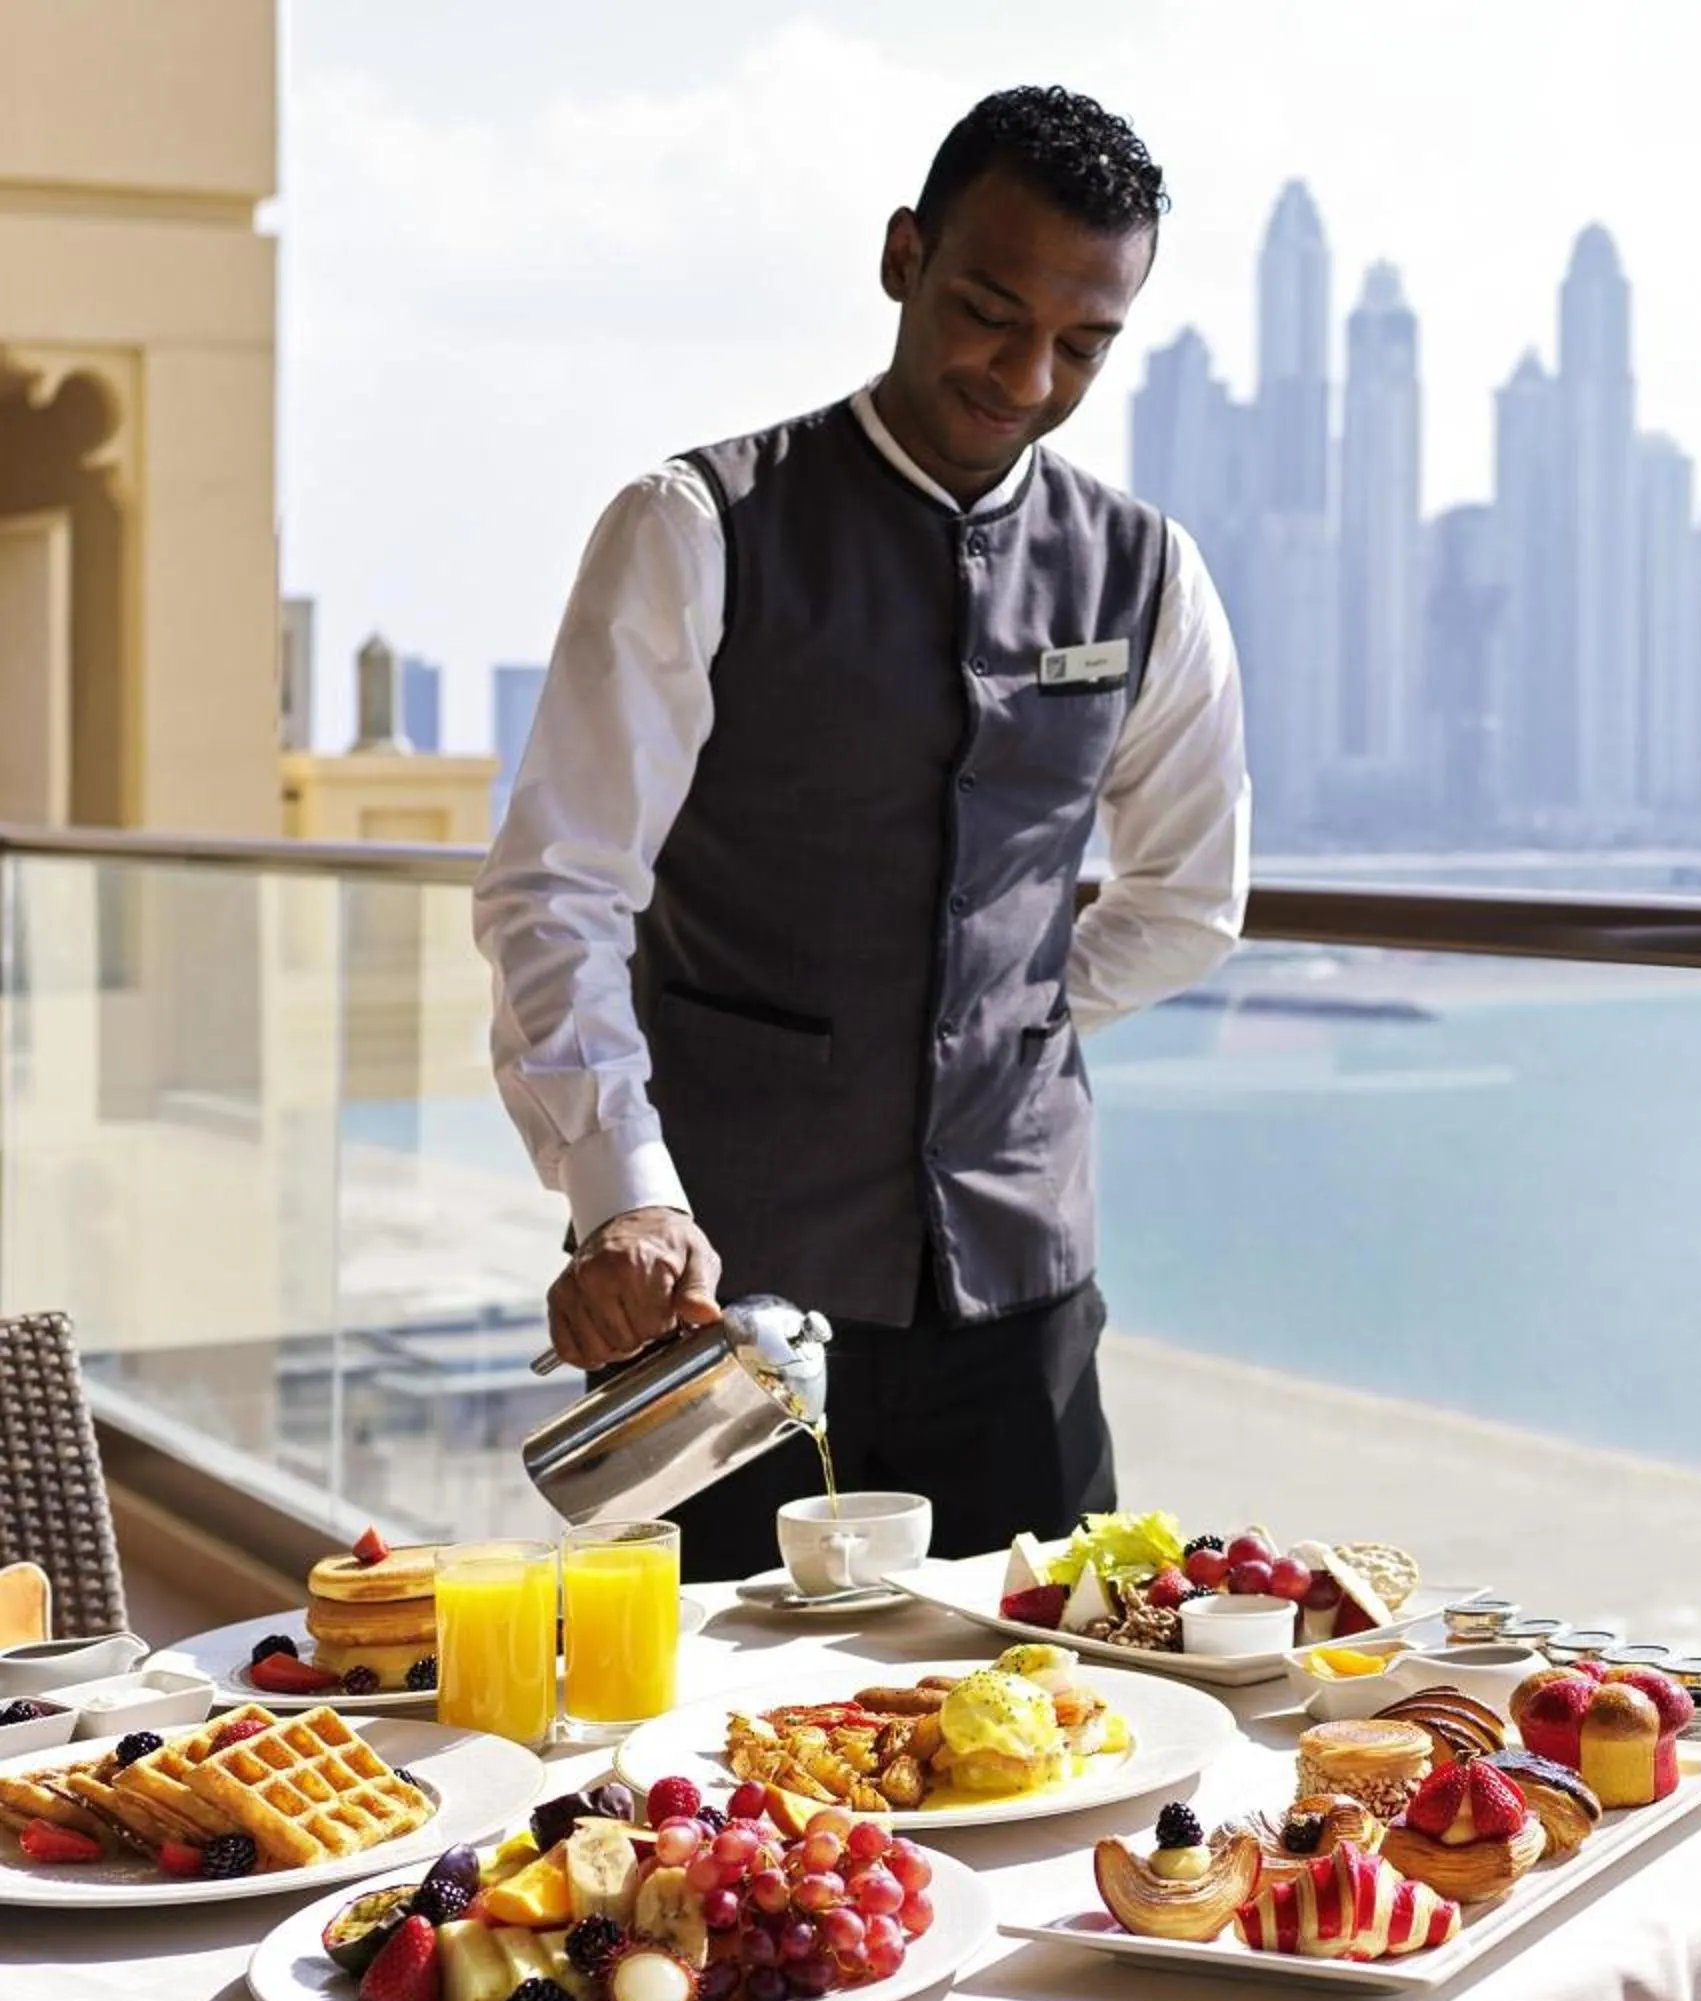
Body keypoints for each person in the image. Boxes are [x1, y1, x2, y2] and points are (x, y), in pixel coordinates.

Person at [474, 87, 1248, 1582]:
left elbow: (1190, 897)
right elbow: (557, 893)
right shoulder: (694, 526)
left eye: (1082, 343)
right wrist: (624, 1192)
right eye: (988, 308)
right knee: (712, 1777)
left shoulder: (1149, 574)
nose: (1026, 373)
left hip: (1021, 1309)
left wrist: (989, 1021)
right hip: (724, 1303)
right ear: (904, 257)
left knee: (1052, 1733)